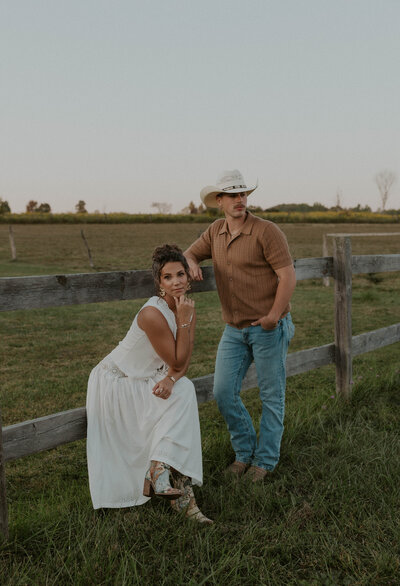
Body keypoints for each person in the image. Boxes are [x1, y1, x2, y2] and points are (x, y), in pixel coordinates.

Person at [86, 244, 212, 524]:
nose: (176, 282)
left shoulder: (186, 308)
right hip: (117, 381)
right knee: (182, 398)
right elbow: (177, 359)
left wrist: (171, 378)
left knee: (184, 389)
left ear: (188, 277)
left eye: (180, 274)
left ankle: (160, 470)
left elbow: (182, 365)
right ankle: (178, 493)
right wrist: (183, 324)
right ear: (159, 283)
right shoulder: (152, 313)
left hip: (148, 377)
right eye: (168, 277)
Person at [184, 170, 296, 482]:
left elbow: (288, 276)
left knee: (271, 396)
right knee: (222, 392)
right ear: (219, 201)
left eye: (243, 194)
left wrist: (273, 316)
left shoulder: (266, 231)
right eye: (232, 195)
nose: (239, 200)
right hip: (234, 330)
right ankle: (244, 454)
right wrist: (191, 261)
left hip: (268, 327)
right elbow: (189, 253)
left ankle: (265, 461)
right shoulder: (215, 231)